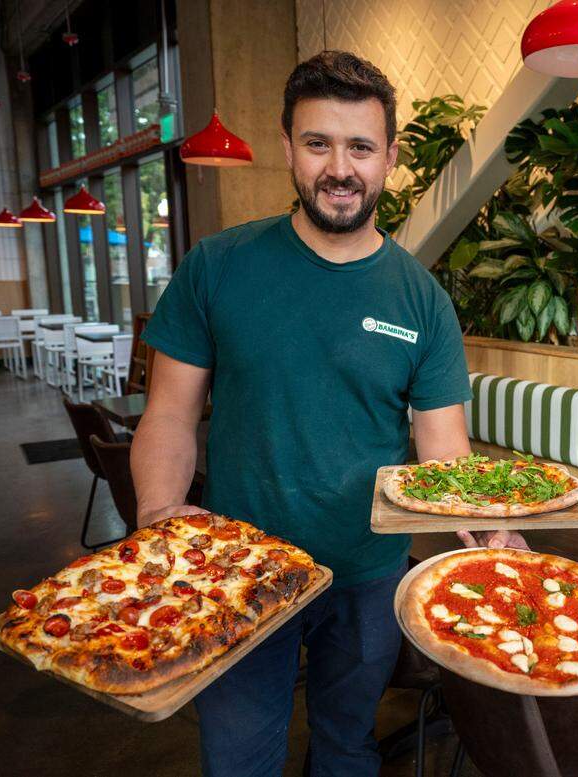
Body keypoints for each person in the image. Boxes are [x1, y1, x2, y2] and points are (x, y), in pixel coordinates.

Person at [131, 50, 526, 777]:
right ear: (288, 147)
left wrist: (488, 526)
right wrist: (159, 510)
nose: (339, 168)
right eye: (319, 144)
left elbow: (443, 448)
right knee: (239, 757)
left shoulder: (422, 300)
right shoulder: (217, 267)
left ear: (390, 158)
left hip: (370, 573)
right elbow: (168, 415)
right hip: (238, 570)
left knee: (347, 746)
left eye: (360, 147)